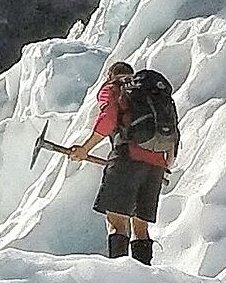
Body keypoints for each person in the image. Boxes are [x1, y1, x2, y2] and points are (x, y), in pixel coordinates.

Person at [67, 61, 178, 263]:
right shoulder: (152, 93)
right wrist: (162, 164)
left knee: (117, 223)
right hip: (156, 166)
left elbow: (108, 120)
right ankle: (144, 277)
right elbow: (172, 136)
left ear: (110, 76)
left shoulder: (113, 89)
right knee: (141, 228)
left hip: (127, 158)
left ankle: (119, 278)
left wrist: (84, 149)